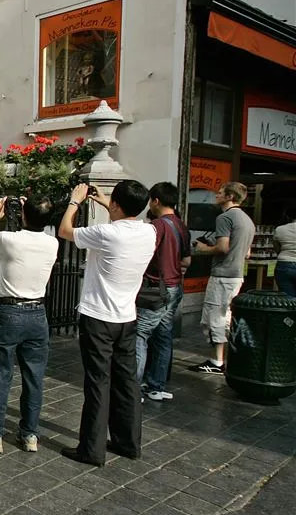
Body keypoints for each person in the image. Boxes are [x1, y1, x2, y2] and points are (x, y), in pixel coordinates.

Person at [58, 180, 156, 466]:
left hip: (99, 317)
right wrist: (106, 202)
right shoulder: (149, 231)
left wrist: (75, 202)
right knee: (127, 382)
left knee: (98, 383)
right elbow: (126, 218)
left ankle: (91, 449)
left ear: (117, 205)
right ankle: (128, 443)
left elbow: (65, 231)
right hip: (127, 317)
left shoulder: (107, 233)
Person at [0, 196, 59, 455]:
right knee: (34, 378)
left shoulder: (9, 239)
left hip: (10, 310)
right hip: (37, 313)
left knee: (2, 374)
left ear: (23, 214)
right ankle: (30, 434)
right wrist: (27, 208)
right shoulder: (52, 243)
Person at [190, 181, 255, 374]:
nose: (216, 195)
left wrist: (203, 248)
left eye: (220, 193)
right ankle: (226, 358)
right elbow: (247, 253)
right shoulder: (247, 220)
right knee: (226, 316)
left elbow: (223, 248)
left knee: (214, 317)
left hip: (223, 274)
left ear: (230, 197)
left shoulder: (225, 218)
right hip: (236, 274)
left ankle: (217, 361)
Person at [135, 183, 191, 402]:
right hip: (175, 286)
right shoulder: (181, 225)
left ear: (156, 201)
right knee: (163, 336)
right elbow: (186, 260)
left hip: (156, 287)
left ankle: (135, 387)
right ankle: (156, 386)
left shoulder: (157, 226)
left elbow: (144, 254)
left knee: (140, 334)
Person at [274, 206, 296, 297]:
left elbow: (277, 249)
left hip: (284, 264)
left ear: (288, 216)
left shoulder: (280, 229)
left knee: (286, 300)